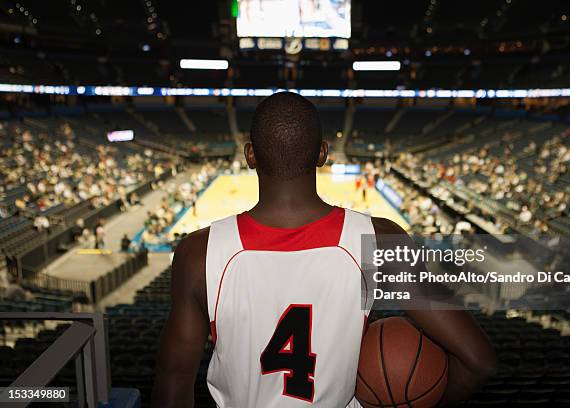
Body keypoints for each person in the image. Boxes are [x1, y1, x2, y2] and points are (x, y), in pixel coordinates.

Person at [153, 92, 495, 407]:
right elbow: (478, 361)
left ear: (250, 155)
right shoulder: (380, 238)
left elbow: (173, 383)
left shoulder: (197, 253)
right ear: (322, 153)